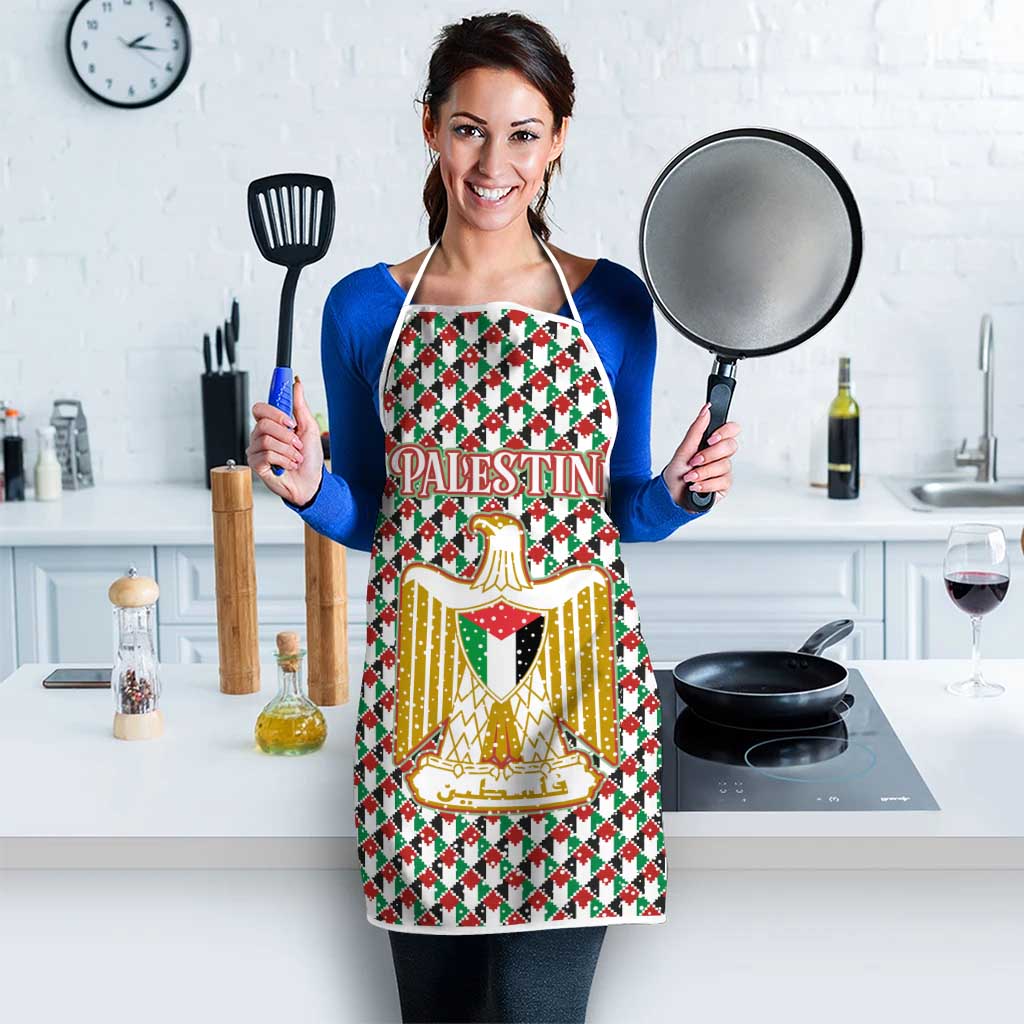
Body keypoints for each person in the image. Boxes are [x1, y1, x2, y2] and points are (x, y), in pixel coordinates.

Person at [247, 12, 739, 1023]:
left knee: (537, 1015)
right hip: (428, 715)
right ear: (430, 128)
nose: (494, 161)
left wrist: (682, 493)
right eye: (470, 128)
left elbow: (622, 512)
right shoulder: (361, 308)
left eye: (523, 133)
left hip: (574, 708)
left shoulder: (610, 304)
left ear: (557, 139)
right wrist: (307, 488)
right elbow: (379, 517)